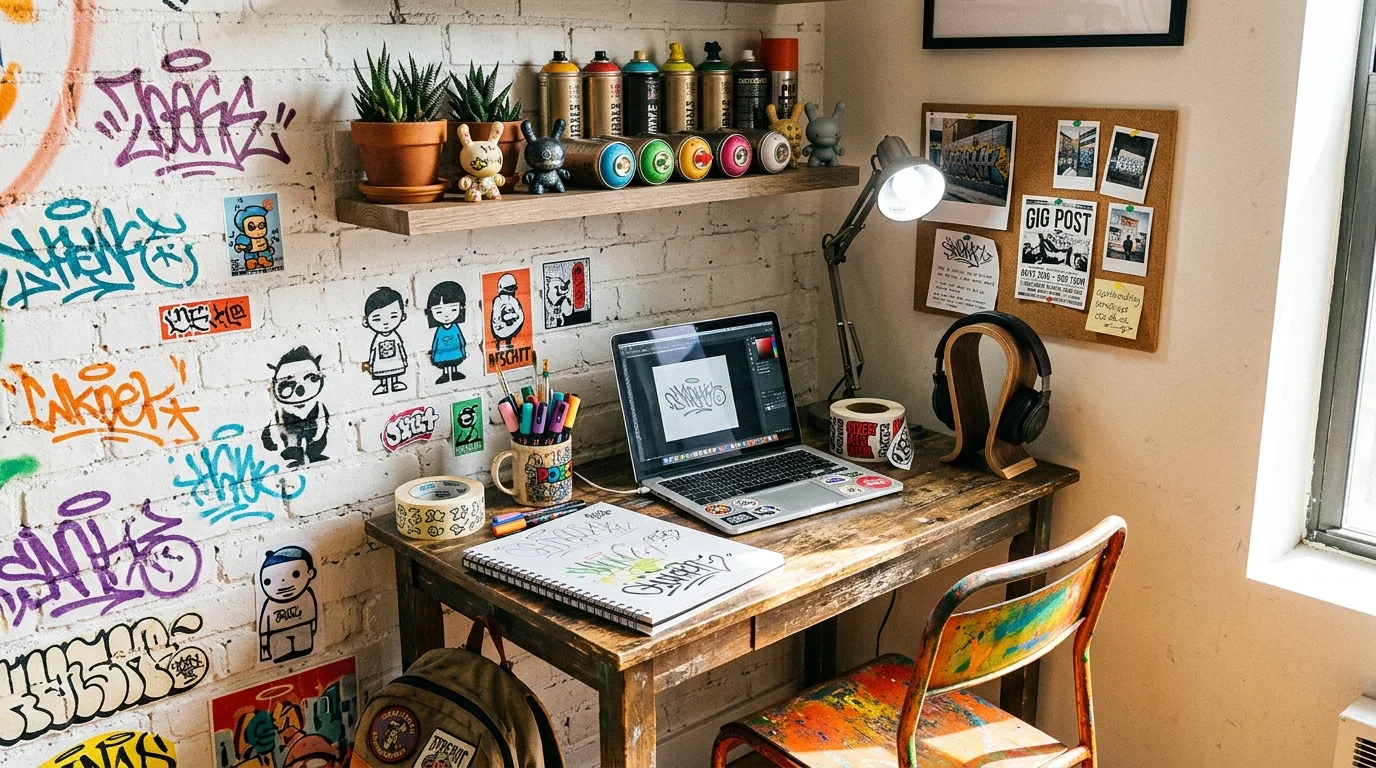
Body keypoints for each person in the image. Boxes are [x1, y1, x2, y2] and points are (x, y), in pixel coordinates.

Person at [258, 546, 318, 664]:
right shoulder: (270, 604)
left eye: (295, 574)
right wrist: (264, 644)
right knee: (281, 654)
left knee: (304, 649)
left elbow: (312, 611)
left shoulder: (307, 595)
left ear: (310, 573)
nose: (283, 583)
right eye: (269, 581)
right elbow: (265, 624)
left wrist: (313, 627)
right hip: (278, 636)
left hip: (303, 630)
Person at [364, 286, 408, 395]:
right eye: (377, 319)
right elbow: (373, 351)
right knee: (383, 372)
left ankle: (395, 382)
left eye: (393, 316)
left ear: (402, 316)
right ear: (366, 321)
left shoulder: (395, 336)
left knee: (395, 371)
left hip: (395, 360)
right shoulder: (378, 338)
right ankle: (383, 385)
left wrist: (404, 359)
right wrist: (370, 363)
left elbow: (400, 347)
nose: (385, 323)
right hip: (380, 362)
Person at [425, 281, 467, 385]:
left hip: (455, 354)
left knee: (453, 362)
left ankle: (455, 372)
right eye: (439, 312)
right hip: (443, 355)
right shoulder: (439, 330)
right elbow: (436, 342)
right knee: (446, 364)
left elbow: (461, 339)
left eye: (453, 309)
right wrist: (434, 354)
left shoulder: (455, 328)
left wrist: (463, 350)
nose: (446, 316)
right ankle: (445, 374)